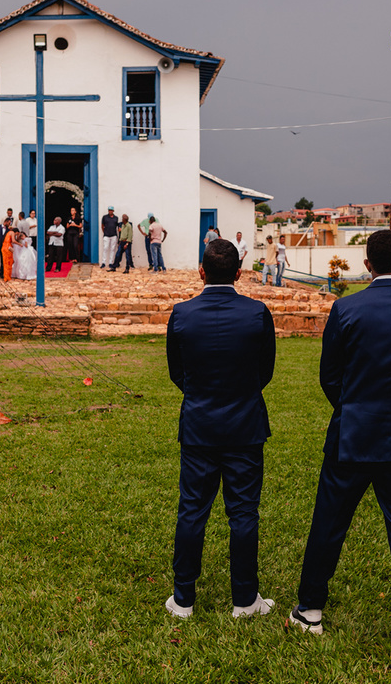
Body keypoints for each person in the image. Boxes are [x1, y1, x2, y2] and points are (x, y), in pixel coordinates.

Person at [290, 229, 391, 651]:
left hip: (353, 433)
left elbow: (330, 376)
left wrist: (353, 407)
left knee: (329, 521)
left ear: (367, 265)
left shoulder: (346, 309)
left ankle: (310, 610)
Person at [164, 238, 277, 619]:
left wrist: (201, 395)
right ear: (239, 273)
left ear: (201, 271)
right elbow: (265, 371)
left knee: (192, 510)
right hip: (244, 424)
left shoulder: (181, 313)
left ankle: (184, 599)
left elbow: (176, 371)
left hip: (199, 423)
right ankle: (245, 599)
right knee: (244, 513)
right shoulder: (258, 312)